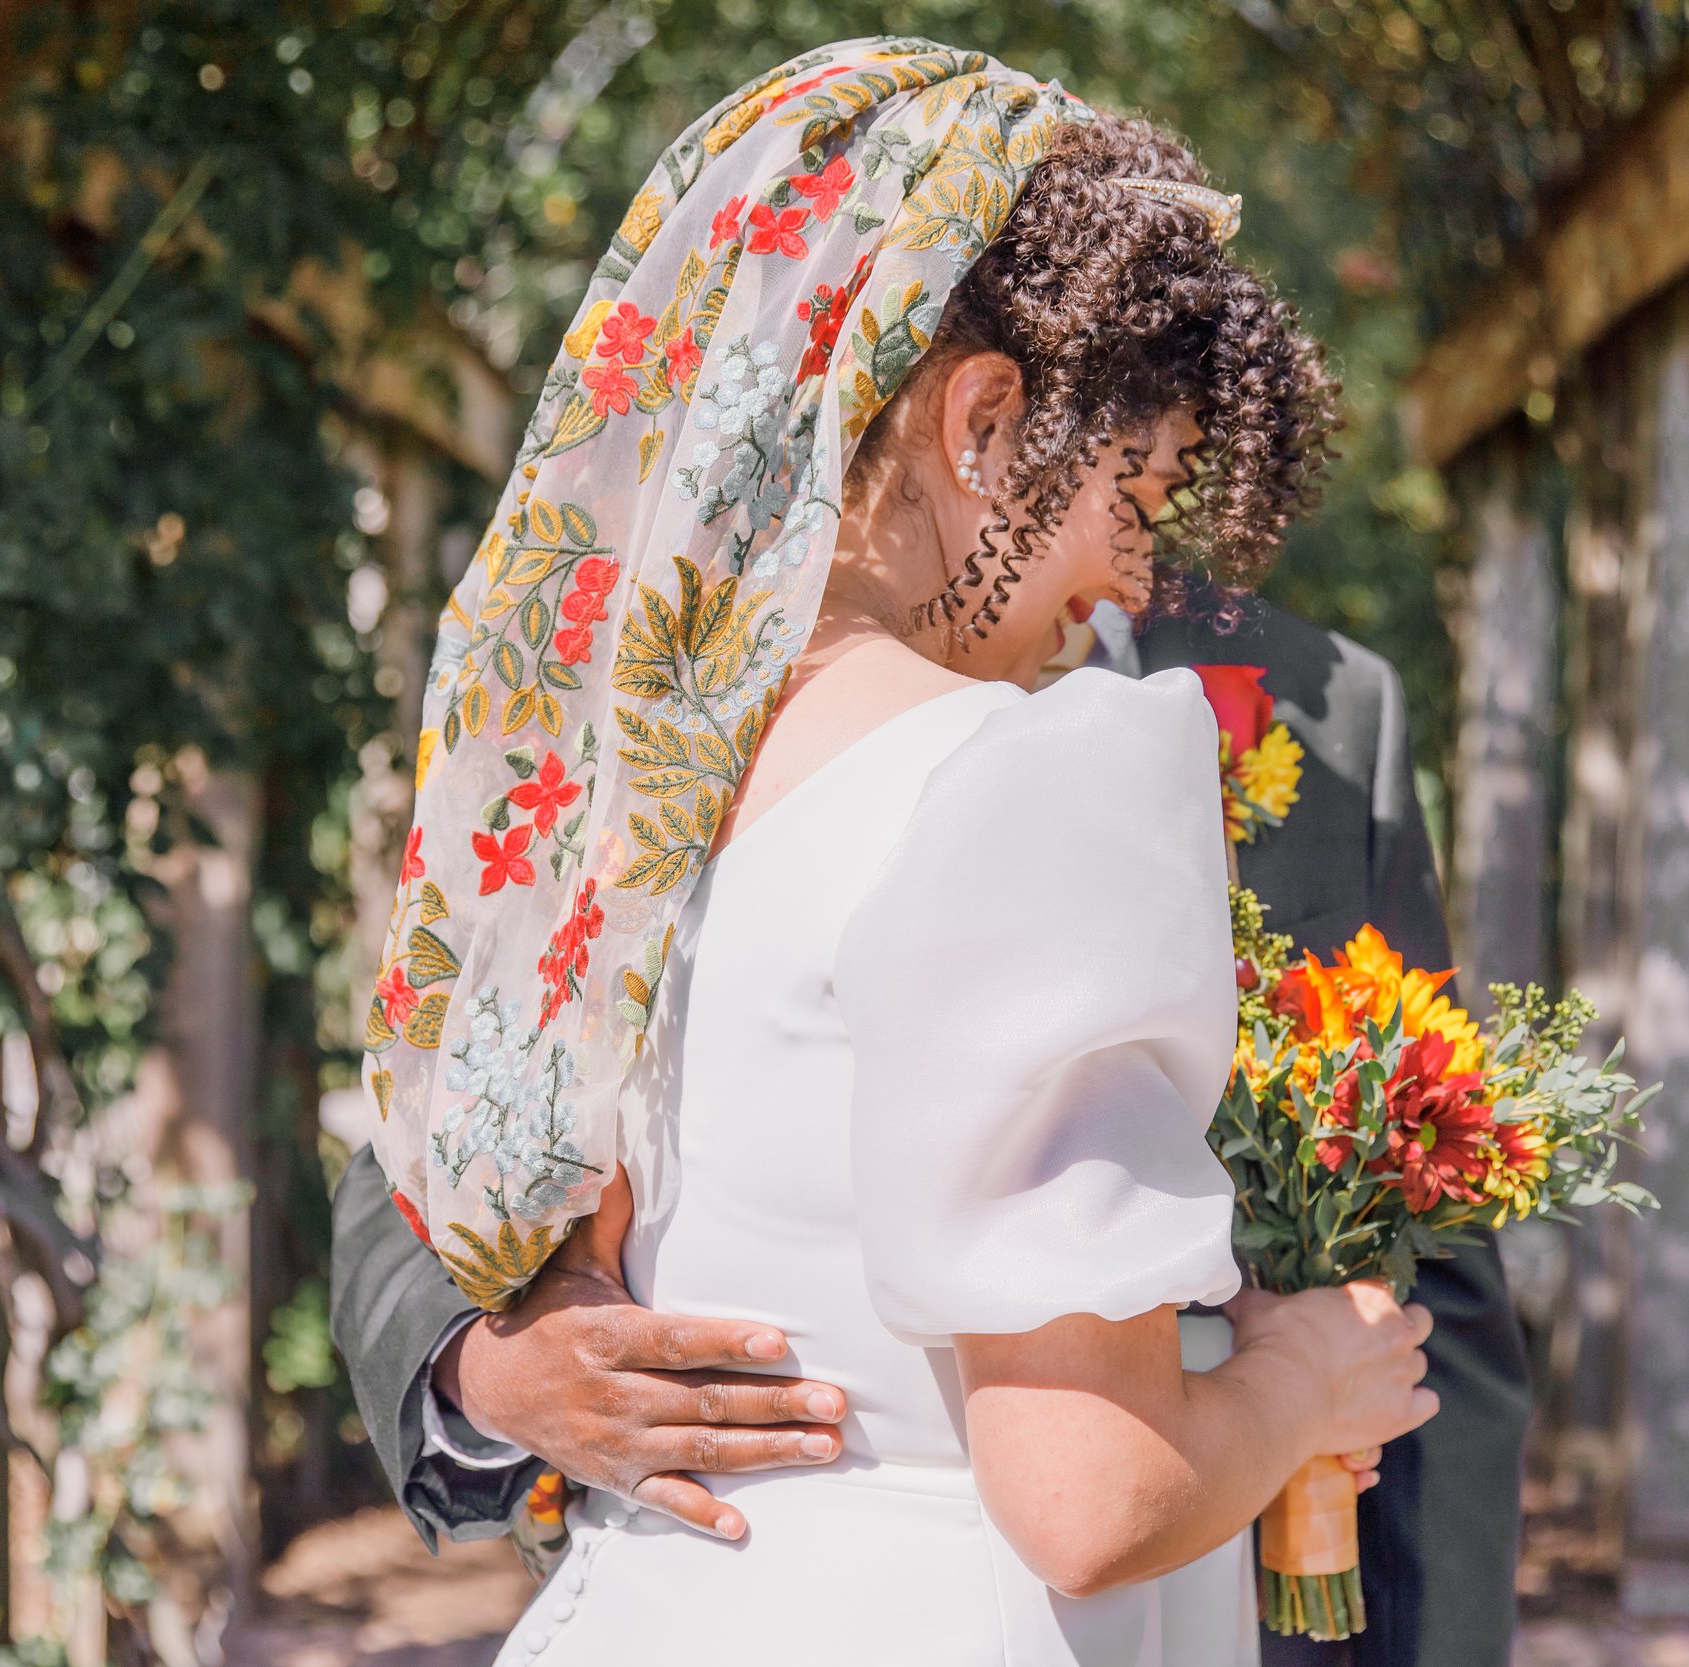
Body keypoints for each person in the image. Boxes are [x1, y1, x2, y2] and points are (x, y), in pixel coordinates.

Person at [344, 39, 1438, 1666]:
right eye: (1133, 499)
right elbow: (1087, 1494)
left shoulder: (628, 811)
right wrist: (1303, 1381)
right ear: (986, 421)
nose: (1134, 584)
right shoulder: (1038, 770)